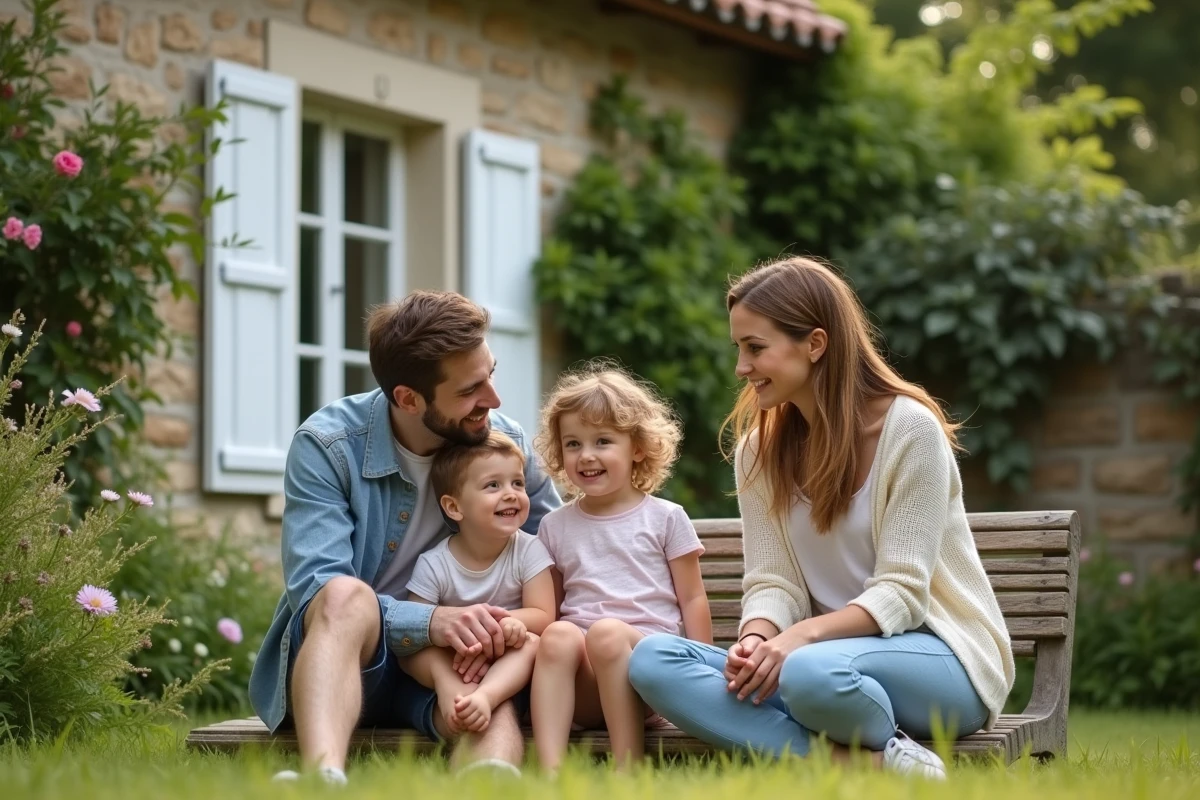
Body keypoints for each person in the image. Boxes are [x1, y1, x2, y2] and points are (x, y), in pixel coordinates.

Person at [627, 257, 1015, 779]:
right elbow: (772, 581)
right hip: (819, 665)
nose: (741, 367)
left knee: (809, 674)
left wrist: (798, 641)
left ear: (814, 343)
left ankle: (813, 728)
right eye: (738, 348)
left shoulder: (910, 433)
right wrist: (758, 640)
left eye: (755, 347)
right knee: (652, 660)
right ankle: (871, 763)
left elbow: (902, 592)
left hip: (940, 659)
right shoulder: (758, 452)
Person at [248, 291, 561, 784]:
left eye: (491, 375)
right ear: (408, 399)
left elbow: (561, 548)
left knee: (487, 697)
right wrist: (431, 620)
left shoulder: (505, 443)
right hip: (357, 659)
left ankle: (486, 785)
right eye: (470, 390)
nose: (494, 401)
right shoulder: (328, 445)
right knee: (343, 595)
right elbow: (315, 588)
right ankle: (321, 779)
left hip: (463, 660)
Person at [529, 365, 711, 771]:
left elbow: (692, 596)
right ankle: (550, 772)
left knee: (608, 634)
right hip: (585, 687)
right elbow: (551, 607)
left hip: (649, 676)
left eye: (603, 441)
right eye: (572, 443)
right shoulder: (554, 526)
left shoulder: (665, 517)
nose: (586, 455)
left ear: (638, 448)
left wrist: (702, 670)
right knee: (558, 634)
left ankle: (628, 767)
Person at [399, 431, 556, 737]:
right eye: (492, 485)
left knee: (533, 644)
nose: (511, 493)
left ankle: (487, 697)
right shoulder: (434, 563)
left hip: (507, 657)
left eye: (518, 483)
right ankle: (449, 689)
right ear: (454, 507)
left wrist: (503, 625)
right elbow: (415, 629)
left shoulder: (529, 549)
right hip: (456, 656)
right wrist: (457, 645)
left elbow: (544, 614)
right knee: (414, 654)